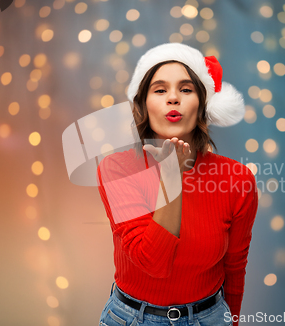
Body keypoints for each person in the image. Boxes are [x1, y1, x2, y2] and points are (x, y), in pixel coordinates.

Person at [96, 43, 258, 326]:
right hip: (132, 318)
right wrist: (172, 177)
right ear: (143, 105)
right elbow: (153, 263)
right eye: (160, 90)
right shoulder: (117, 169)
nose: (173, 98)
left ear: (203, 105)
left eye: (186, 89)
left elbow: (235, 266)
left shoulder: (238, 179)